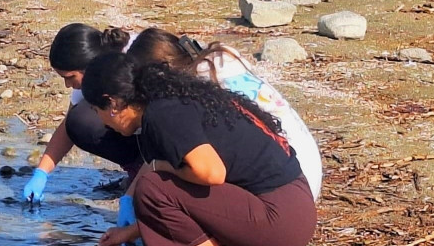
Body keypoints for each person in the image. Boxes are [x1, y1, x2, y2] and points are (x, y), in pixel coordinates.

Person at [80, 53, 317, 246]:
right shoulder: (175, 99)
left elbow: (211, 173)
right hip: (295, 206)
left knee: (152, 187)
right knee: (170, 181)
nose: (101, 120)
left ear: (112, 102)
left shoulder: (162, 115)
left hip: (280, 224)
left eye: (96, 110)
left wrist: (160, 166)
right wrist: (130, 232)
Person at [126, 28, 323, 201]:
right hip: (303, 172)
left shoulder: (197, 88)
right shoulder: (220, 62)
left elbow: (206, 167)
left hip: (281, 183)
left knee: (185, 173)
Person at [23, 24, 141, 229]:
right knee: (79, 120)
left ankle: (146, 173)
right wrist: (41, 173)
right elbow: (69, 127)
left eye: (69, 78)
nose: (67, 85)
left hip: (171, 130)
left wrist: (132, 197)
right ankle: (138, 171)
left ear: (88, 67)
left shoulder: (136, 62)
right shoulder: (94, 75)